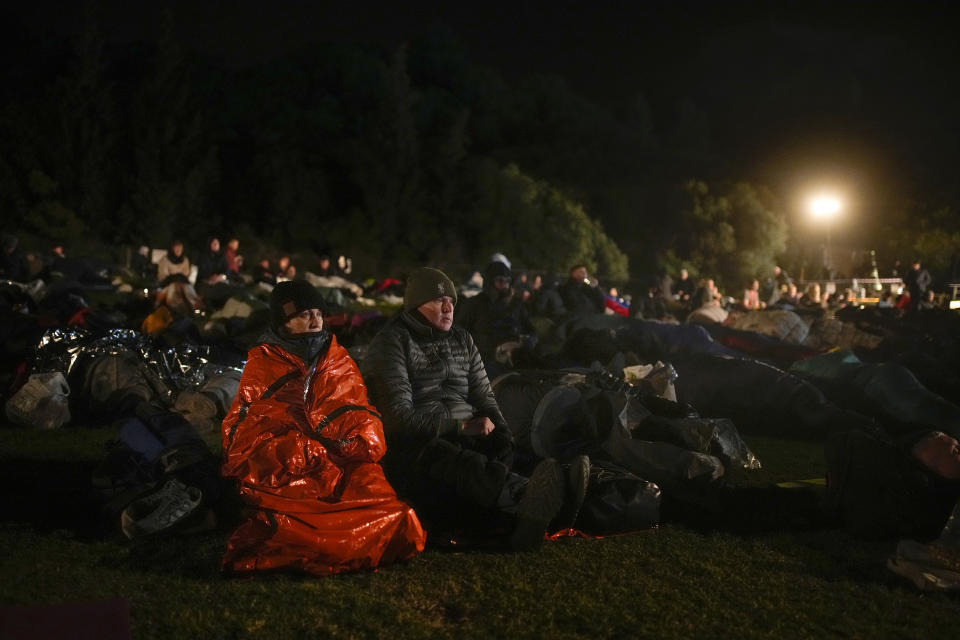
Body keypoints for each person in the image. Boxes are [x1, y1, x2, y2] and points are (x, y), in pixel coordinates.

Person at [362, 267, 588, 550]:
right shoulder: (392, 341)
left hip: (462, 436)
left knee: (500, 449)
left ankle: (542, 509)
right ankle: (534, 503)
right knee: (450, 459)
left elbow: (484, 396)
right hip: (416, 446)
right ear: (416, 305)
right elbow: (398, 419)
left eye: (452, 302)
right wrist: (460, 426)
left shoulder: (462, 340)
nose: (448, 308)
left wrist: (504, 434)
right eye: (437, 301)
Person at [220, 280, 425, 575]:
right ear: (284, 321)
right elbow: (247, 431)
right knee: (293, 511)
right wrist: (299, 450)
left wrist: (360, 435)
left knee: (387, 504)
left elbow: (356, 404)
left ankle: (331, 540)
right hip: (290, 471)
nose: (315, 319)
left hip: (341, 461)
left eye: (318, 312)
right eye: (304, 314)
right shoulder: (264, 364)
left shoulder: (337, 359)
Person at [455, 261, 536, 375]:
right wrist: (492, 348)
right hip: (484, 360)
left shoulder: (516, 305)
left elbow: (531, 331)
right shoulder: (475, 304)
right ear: (490, 282)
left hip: (516, 358)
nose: (505, 285)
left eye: (507, 281)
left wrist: (525, 342)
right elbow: (460, 334)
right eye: (500, 281)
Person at [156, 240, 198, 315]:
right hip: (168, 282)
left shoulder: (184, 260)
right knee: (172, 287)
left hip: (182, 281)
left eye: (180, 249)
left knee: (187, 288)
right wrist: (174, 277)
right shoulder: (165, 260)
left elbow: (185, 273)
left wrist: (179, 277)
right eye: (176, 249)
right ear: (172, 249)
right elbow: (163, 274)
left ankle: (195, 305)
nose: (179, 251)